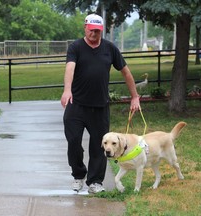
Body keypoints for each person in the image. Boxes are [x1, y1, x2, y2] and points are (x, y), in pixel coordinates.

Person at [60, 14, 141, 194]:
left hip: (99, 107)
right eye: (91, 30)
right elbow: (70, 68)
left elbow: (126, 73)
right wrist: (67, 90)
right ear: (85, 28)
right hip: (76, 105)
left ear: (101, 31)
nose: (94, 34)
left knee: (101, 146)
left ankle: (95, 181)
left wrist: (134, 96)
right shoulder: (76, 47)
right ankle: (78, 175)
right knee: (73, 142)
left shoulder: (110, 48)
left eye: (97, 31)